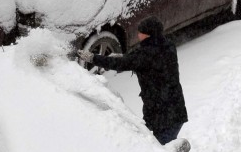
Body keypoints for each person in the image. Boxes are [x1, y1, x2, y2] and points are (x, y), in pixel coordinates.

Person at [78, 16, 188, 145]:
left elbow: (121, 63)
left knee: (161, 151)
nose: (138, 34)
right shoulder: (167, 46)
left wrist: (92, 58)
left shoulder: (144, 55)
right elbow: (146, 61)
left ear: (146, 35)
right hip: (174, 108)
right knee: (158, 146)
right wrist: (125, 58)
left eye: (140, 32)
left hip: (163, 115)